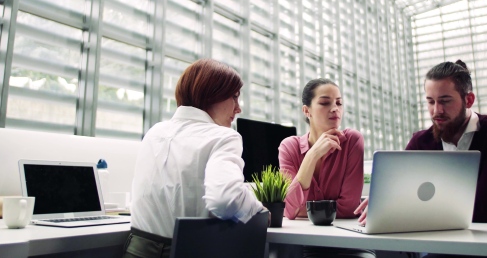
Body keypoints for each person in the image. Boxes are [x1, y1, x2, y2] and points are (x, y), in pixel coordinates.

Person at [122, 59, 264, 258]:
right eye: (234, 97)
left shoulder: (154, 132)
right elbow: (225, 200)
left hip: (135, 251)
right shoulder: (224, 136)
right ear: (213, 93)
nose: (238, 108)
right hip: (186, 251)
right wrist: (257, 210)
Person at [406, 60, 487, 223]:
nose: (436, 111)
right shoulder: (420, 141)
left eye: (445, 101)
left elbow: (482, 211)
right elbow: (401, 193)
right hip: (444, 241)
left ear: (468, 100)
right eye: (430, 101)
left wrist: (412, 206)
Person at [279, 78, 374, 258]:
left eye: (339, 103)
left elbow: (348, 208)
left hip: (350, 240)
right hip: (307, 242)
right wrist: (312, 156)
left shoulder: (352, 141)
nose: (334, 108)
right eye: (325, 103)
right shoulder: (289, 147)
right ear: (307, 111)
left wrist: (304, 209)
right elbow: (288, 209)